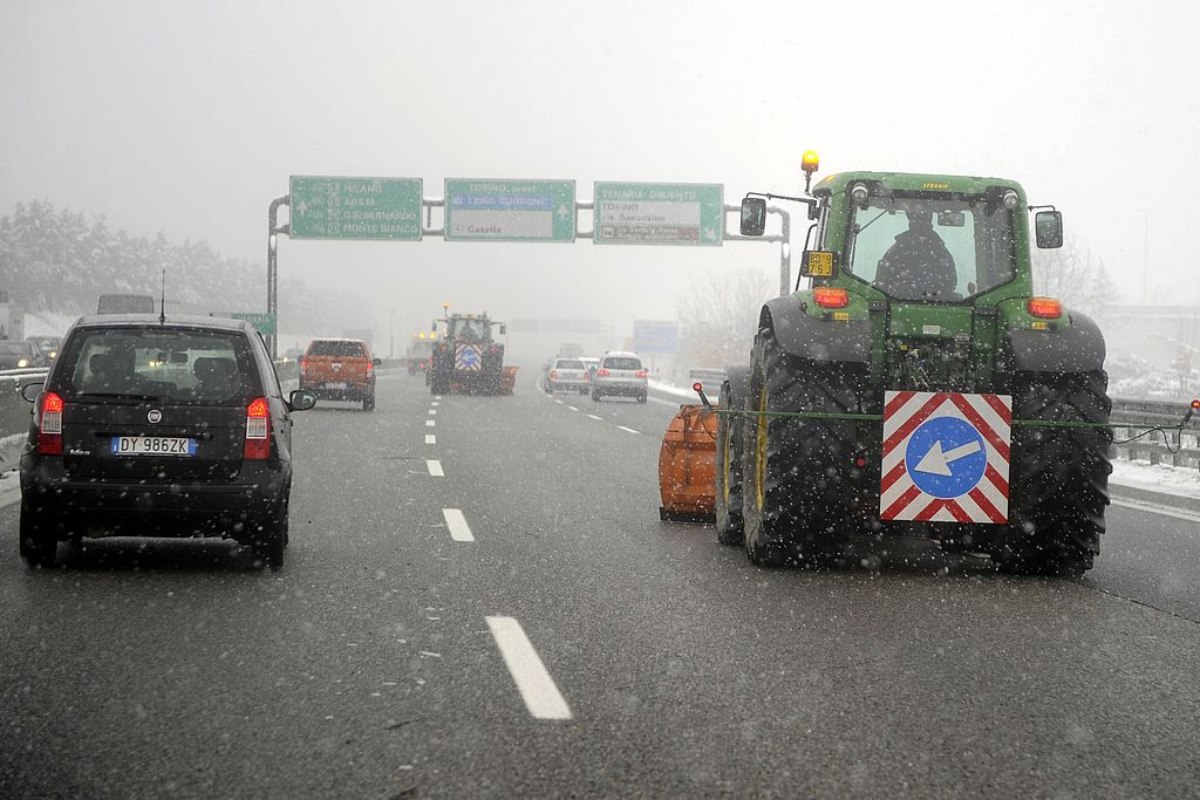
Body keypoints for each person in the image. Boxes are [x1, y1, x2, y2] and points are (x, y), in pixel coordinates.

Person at [875, 208, 958, 299]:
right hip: (923, 306)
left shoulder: (896, 251)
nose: (920, 229)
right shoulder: (941, 252)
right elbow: (883, 283)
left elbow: (882, 281)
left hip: (905, 305)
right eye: (918, 222)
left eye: (922, 222)